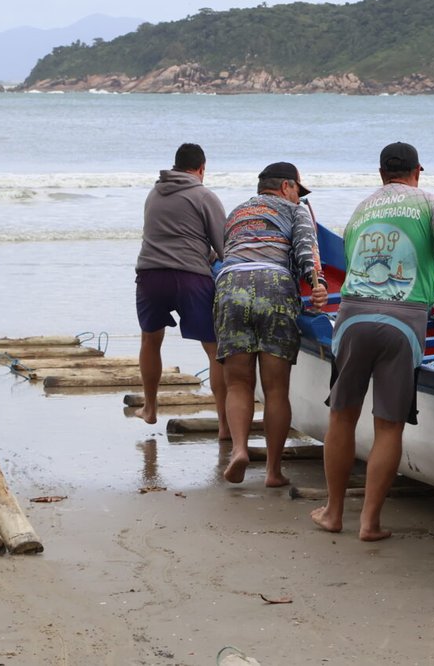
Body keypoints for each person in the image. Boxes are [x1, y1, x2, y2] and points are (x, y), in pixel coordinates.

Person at [311, 142, 434, 541]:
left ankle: (333, 512)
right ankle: (370, 523)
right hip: (404, 322)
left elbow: (350, 261)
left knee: (342, 415)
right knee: (388, 426)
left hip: (353, 316)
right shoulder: (430, 203)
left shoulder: (360, 210)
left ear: (381, 174)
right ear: (418, 171)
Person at [214, 162, 328, 486]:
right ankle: (273, 471)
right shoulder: (297, 210)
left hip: (230, 286)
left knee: (238, 383)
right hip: (274, 284)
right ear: (286, 187)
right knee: (276, 388)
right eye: (297, 191)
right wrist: (316, 285)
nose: (298, 198)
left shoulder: (236, 213)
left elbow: (226, 254)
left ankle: (238, 450)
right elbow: (307, 250)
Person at [134, 143, 228, 427]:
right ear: (201, 168)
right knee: (214, 349)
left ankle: (150, 409)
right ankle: (225, 423)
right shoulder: (203, 195)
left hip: (150, 275)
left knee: (150, 340)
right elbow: (225, 247)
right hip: (190, 277)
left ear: (175, 166)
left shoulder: (154, 193)